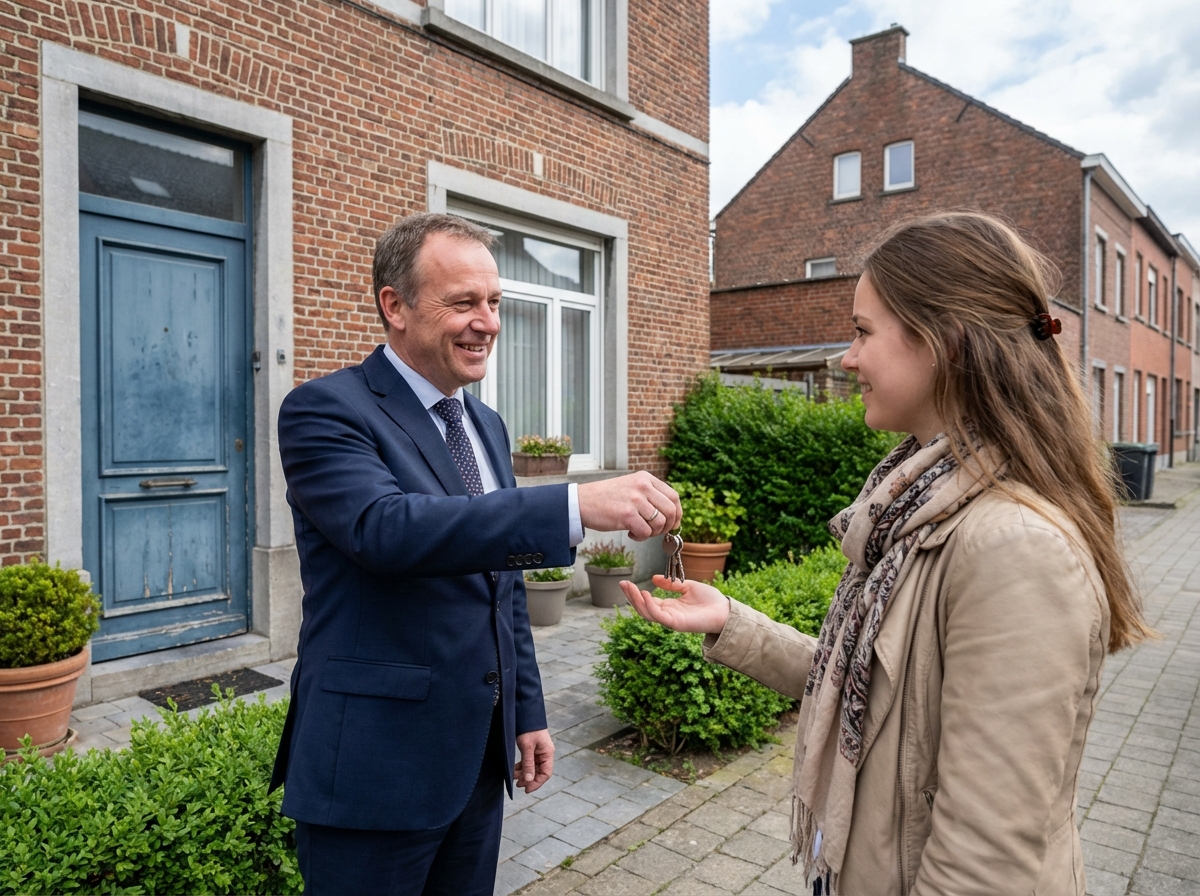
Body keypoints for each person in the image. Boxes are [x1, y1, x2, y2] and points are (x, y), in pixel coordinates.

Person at [621, 211, 1151, 895]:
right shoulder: (914, 507)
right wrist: (729, 620)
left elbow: (985, 868)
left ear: (944, 342)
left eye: (863, 331)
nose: (847, 358)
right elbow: (870, 693)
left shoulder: (1013, 550)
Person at [270, 213, 681, 896]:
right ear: (394, 306)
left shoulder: (484, 424)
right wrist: (573, 506)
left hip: (475, 762)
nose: (486, 322)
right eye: (462, 302)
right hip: (374, 769)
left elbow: (500, 585)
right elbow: (387, 530)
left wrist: (526, 711)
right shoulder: (324, 410)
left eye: (493, 302)